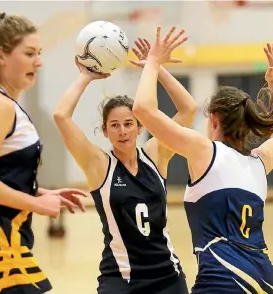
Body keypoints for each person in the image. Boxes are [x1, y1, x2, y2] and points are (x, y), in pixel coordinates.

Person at [133, 27, 273, 293]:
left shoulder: (205, 150)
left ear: (214, 120)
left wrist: (152, 63)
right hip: (264, 281)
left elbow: (142, 109)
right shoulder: (259, 162)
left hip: (223, 280)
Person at [53, 32, 194, 294]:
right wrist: (86, 76)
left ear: (140, 127)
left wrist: (155, 67)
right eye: (114, 126)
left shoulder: (155, 155)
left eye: (129, 124)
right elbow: (61, 115)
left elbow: (188, 109)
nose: (122, 131)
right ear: (104, 131)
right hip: (121, 278)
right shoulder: (98, 164)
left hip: (167, 275)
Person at [0, 12, 87, 294]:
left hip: (8, 244)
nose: (39, 61)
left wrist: (40, 192)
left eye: (40, 53)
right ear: (0, 56)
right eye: (29, 53)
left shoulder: (4, 104)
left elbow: (1, 174)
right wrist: (35, 204)